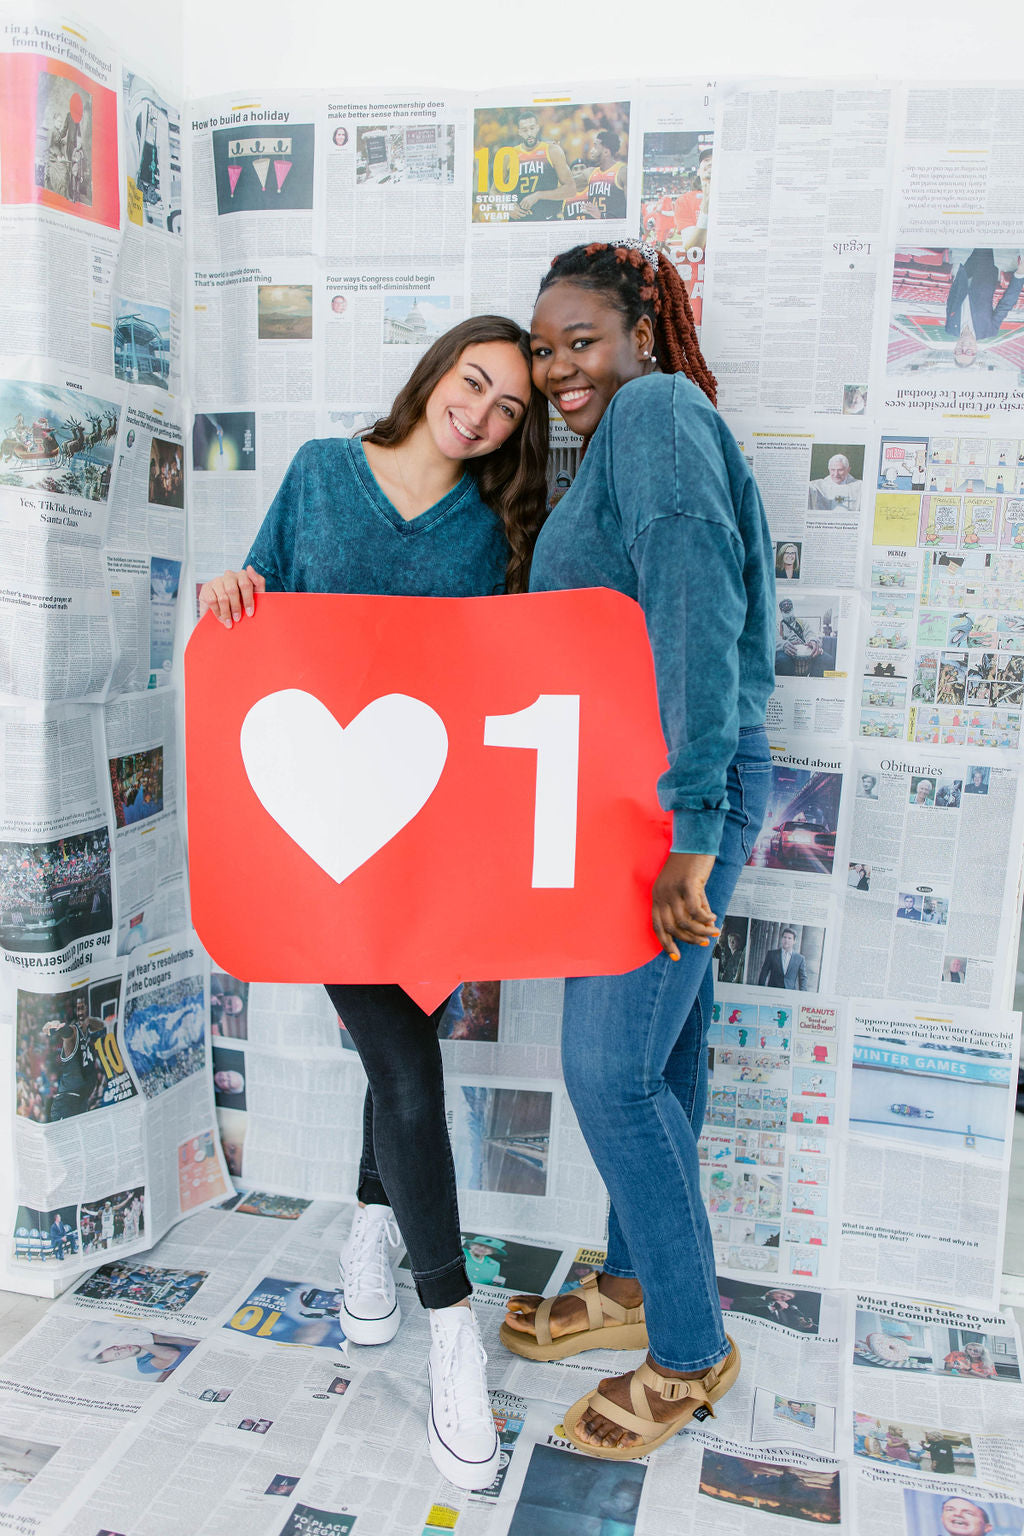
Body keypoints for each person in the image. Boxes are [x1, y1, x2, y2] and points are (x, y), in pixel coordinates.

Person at [198, 315, 548, 1491]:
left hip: (440, 838)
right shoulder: (317, 475)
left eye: (509, 408)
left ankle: (369, 1219)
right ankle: (451, 1323)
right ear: (436, 371)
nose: (485, 415)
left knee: (403, 1040)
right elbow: (262, 611)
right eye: (475, 384)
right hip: (327, 835)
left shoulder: (495, 523)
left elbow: (516, 674)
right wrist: (234, 589)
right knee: (406, 1068)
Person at [501, 239, 774, 1462]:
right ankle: (628, 1284)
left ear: (643, 335)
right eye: (545, 347)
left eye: (582, 341)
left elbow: (696, 614)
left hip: (674, 801)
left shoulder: (658, 413)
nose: (561, 366)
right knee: (661, 1063)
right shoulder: (623, 436)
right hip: (636, 794)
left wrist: (693, 835)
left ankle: (687, 1347)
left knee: (610, 1076)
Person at [505, 110, 575, 221]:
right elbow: (494, 191)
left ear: (538, 128)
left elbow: (571, 189)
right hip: (519, 222)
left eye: (532, 128)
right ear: (519, 132)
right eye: (524, 130)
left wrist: (539, 195)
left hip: (547, 219)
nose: (529, 134)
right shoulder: (510, 154)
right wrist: (506, 206)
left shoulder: (552, 150)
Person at [583, 130, 628, 221]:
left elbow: (631, 209)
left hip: (614, 229)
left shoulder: (622, 171)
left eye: (595, 147)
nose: (591, 151)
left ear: (606, 152)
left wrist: (602, 215)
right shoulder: (590, 172)